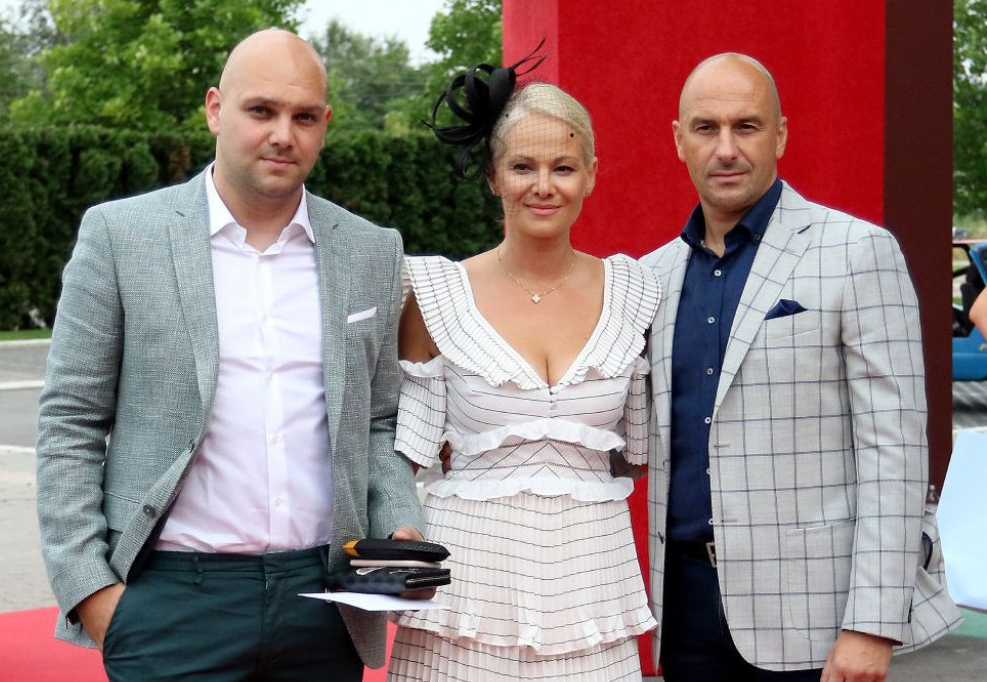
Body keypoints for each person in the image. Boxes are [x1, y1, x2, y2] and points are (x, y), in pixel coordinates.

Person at [36, 29, 426, 681]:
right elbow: (70, 421)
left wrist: (400, 524)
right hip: (169, 601)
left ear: (325, 125)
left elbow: (378, 422)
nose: (283, 135)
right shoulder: (119, 236)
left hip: (323, 602)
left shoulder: (371, 251)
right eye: (261, 111)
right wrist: (91, 591)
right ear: (216, 109)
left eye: (304, 117)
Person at [639, 52, 962, 682]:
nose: (726, 148)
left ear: (780, 135)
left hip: (815, 618)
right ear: (679, 141)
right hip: (683, 612)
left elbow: (895, 452)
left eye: (747, 126)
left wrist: (872, 623)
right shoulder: (653, 276)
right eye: (706, 128)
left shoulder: (859, 252)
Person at [385, 56, 661, 681]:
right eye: (522, 167)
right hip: (461, 603)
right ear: (493, 177)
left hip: (594, 593)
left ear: (591, 175)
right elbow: (403, 457)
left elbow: (640, 455)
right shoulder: (434, 293)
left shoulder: (636, 292)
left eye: (563, 167)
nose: (544, 185)